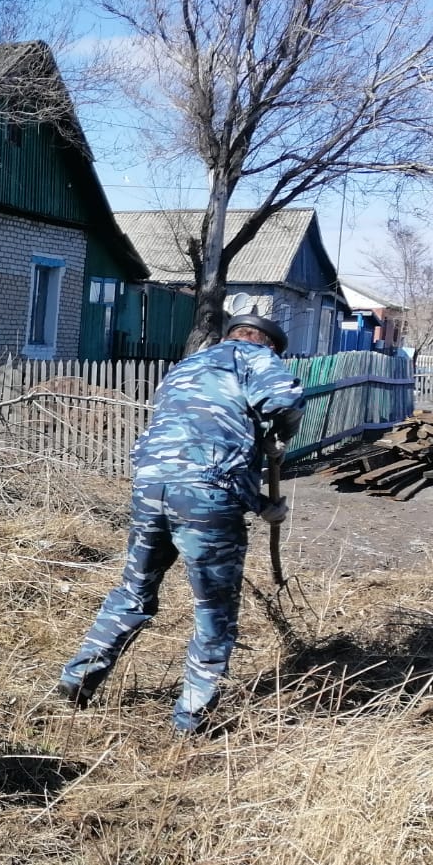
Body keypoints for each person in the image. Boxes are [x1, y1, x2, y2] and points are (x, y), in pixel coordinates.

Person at [56, 313, 305, 734]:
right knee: (215, 613)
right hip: (207, 497)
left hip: (151, 487)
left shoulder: (188, 366)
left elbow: (195, 449)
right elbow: (284, 401)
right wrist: (280, 435)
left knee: (133, 592)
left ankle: (78, 678)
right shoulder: (256, 357)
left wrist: (260, 503)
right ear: (272, 345)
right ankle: (191, 721)